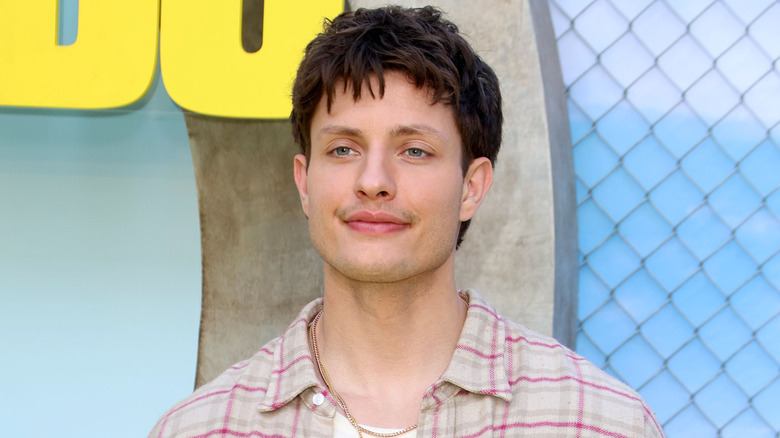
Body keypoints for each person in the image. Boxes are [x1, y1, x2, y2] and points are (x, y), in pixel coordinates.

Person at [149, 5, 664, 438]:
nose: (373, 181)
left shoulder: (597, 424)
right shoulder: (203, 428)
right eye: (344, 148)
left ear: (472, 187)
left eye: (414, 150)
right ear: (305, 182)